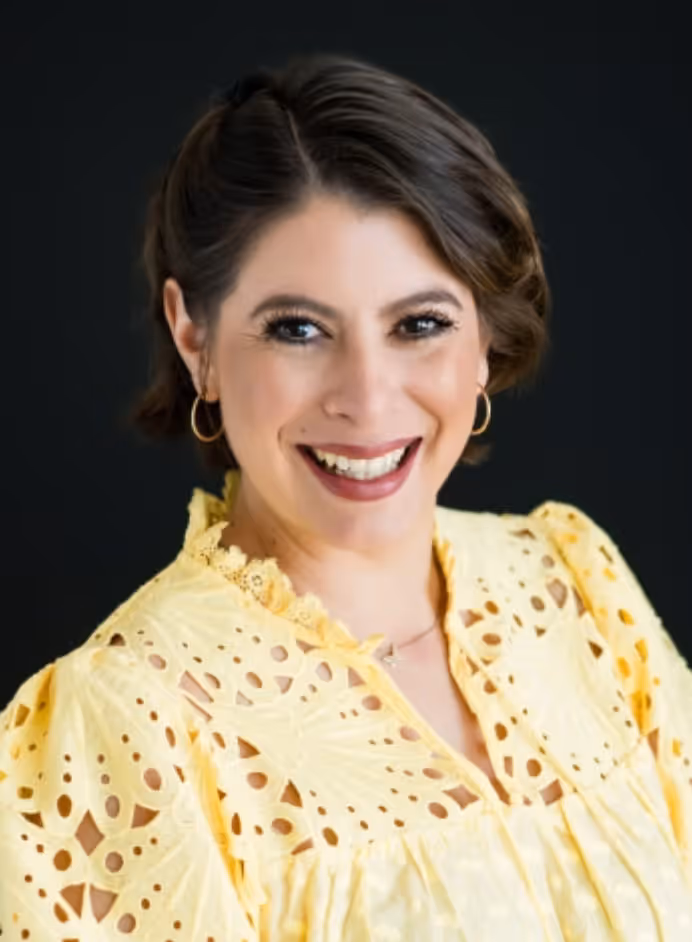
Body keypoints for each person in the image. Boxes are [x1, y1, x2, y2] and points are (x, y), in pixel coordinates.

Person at [1, 52, 691, 941]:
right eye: (298, 329)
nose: (367, 398)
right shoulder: (122, 726)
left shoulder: (571, 581)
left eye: (421, 324)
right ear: (193, 335)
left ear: (482, 337)